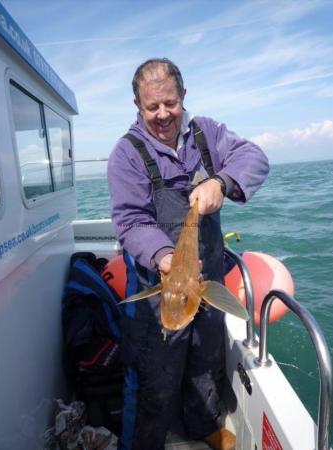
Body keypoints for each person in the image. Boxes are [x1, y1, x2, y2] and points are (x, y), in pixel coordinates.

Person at [107, 58, 269, 450]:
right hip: (158, 281)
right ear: (137, 106)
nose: (162, 114)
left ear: (183, 96)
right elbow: (129, 220)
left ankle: (202, 427)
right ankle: (145, 442)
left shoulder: (206, 133)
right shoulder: (127, 154)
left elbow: (255, 158)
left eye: (170, 103)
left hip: (206, 275)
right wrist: (164, 256)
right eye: (152, 107)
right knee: (153, 371)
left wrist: (221, 181)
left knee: (206, 357)